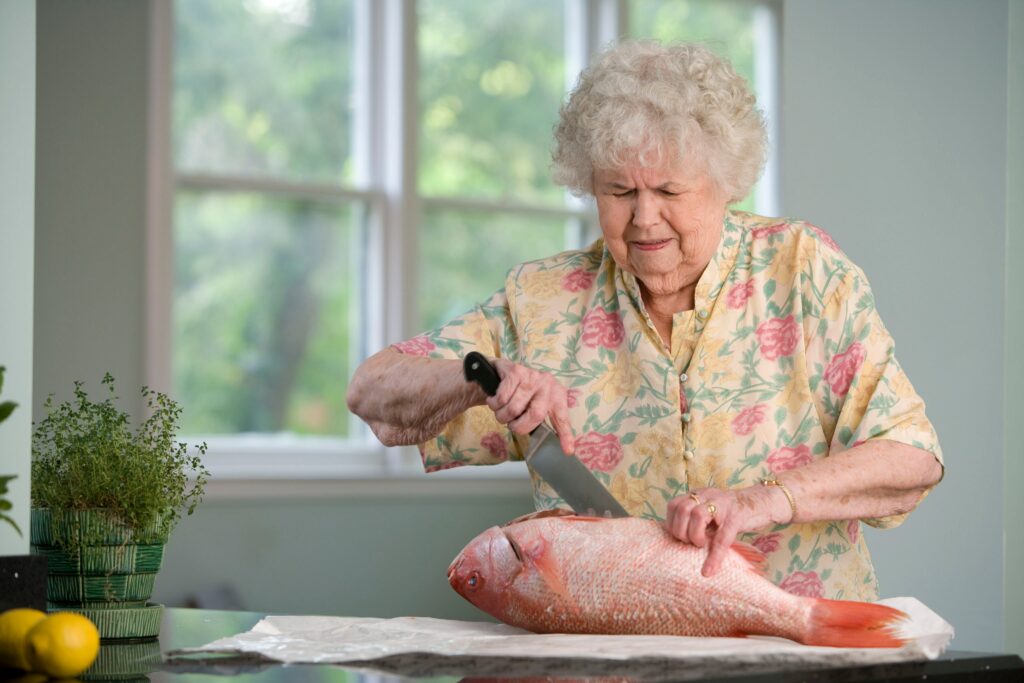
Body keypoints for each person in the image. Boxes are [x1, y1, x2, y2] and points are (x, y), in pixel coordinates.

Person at [346, 40, 943, 602]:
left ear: (724, 185)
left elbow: (911, 457)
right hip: (613, 658)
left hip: (802, 643)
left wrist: (768, 500)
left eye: (668, 189)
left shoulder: (802, 270)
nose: (644, 218)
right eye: (619, 190)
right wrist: (478, 379)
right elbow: (371, 390)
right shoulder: (543, 299)